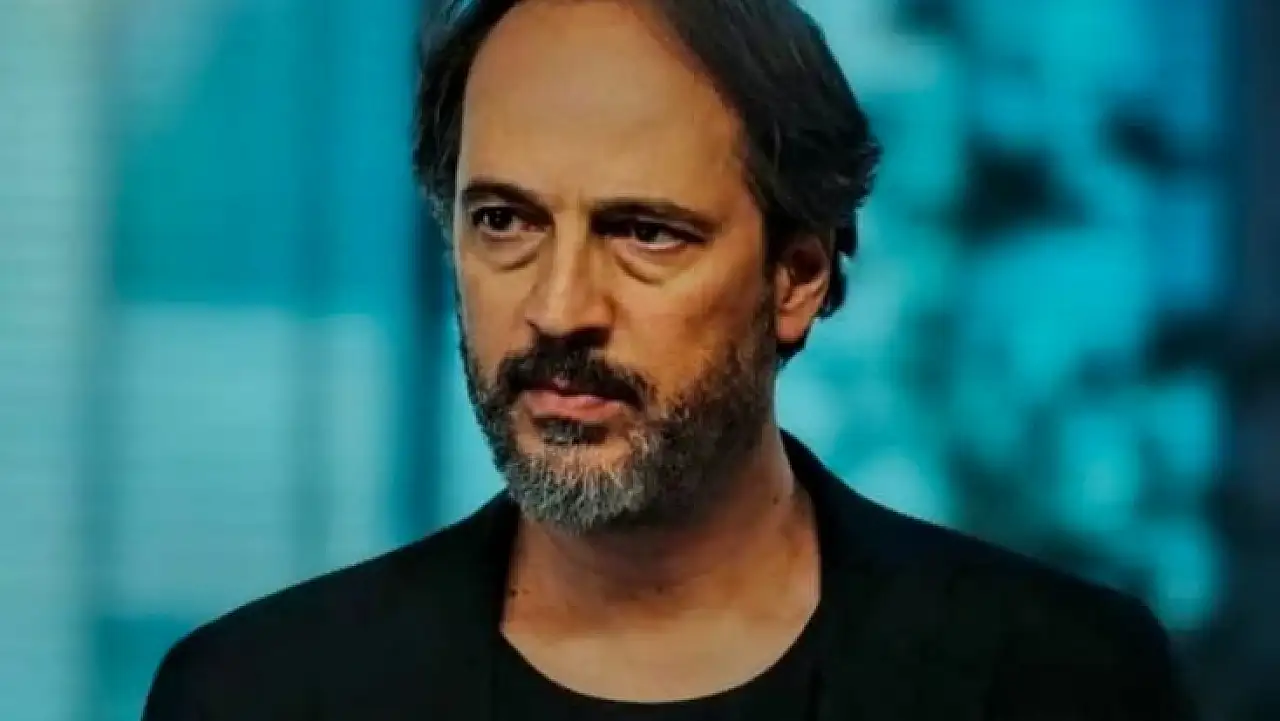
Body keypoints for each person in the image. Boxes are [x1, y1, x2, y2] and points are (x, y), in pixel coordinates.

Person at [142, 0, 1197, 719]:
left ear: (797, 277)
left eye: (644, 232)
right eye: (503, 221)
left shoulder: (1059, 681)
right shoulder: (260, 695)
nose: (558, 310)